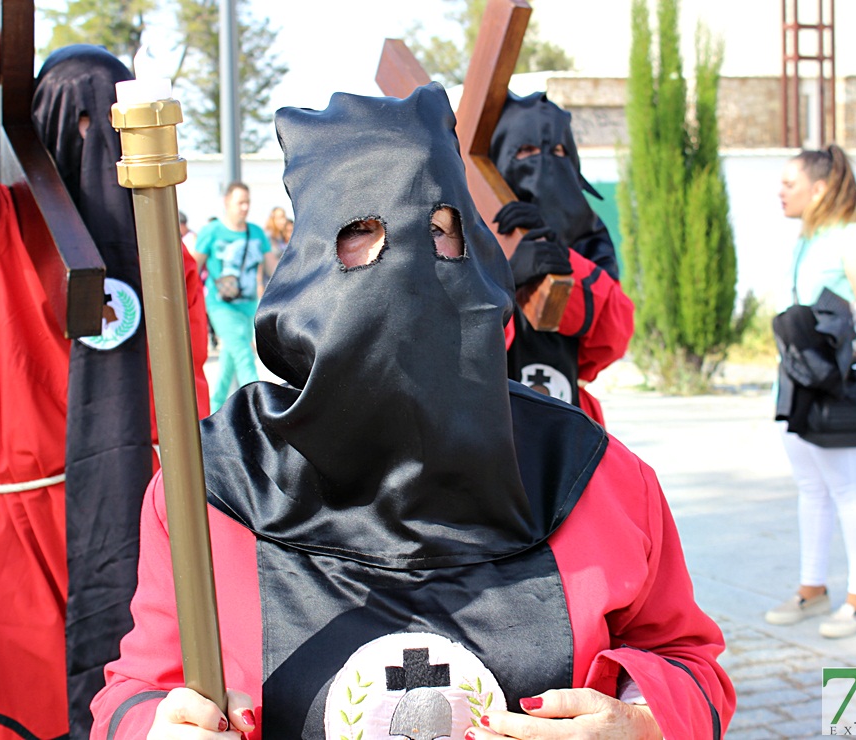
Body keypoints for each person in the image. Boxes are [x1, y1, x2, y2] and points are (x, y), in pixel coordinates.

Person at [91, 83, 734, 740]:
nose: (407, 262)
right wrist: (152, 728)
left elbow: (691, 667)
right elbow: (139, 688)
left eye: (438, 232)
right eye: (363, 233)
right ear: (312, 259)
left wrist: (643, 725)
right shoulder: (219, 484)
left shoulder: (589, 474)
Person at [0, 35, 209, 740]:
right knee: (33, 712)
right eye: (77, 116)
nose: (91, 135)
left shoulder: (168, 251)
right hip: (27, 524)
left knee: (150, 705)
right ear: (41, 126)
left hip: (144, 516)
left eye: (107, 118)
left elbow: (191, 398)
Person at [767, 144, 856, 638]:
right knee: (811, 488)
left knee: (849, 486)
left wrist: (825, 330)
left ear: (819, 189)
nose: (780, 191)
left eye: (789, 183)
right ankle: (812, 589)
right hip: (802, 380)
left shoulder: (852, 236)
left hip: (842, 383)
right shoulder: (807, 238)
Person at [487, 92, 634, 426]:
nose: (543, 166)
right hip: (483, 425)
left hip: (564, 418)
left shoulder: (588, 231)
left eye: (557, 152)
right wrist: (503, 281)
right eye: (525, 151)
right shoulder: (459, 227)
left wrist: (565, 264)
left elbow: (614, 335)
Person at [195, 182, 273, 411]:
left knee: (229, 359)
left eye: (247, 202)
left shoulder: (256, 232)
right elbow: (192, 267)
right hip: (221, 305)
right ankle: (260, 409)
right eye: (240, 202)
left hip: (249, 305)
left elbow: (273, 266)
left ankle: (214, 409)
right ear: (226, 202)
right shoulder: (212, 231)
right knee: (243, 354)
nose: (245, 207)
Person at [263, 205, 290, 291]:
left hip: (281, 283)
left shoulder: (282, 239)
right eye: (279, 218)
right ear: (272, 219)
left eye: (284, 217)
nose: (283, 221)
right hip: (268, 285)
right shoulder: (266, 238)